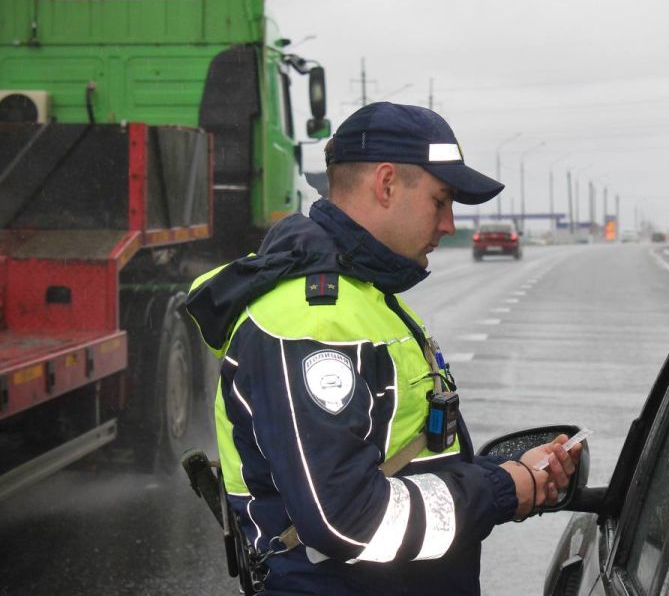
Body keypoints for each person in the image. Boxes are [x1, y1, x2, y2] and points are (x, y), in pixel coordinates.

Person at [185, 101, 581, 596]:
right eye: (441, 201)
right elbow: (349, 521)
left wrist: (504, 474)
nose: (449, 225)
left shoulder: (364, 298)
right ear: (387, 183)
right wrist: (502, 490)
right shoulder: (316, 321)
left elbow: (401, 463)